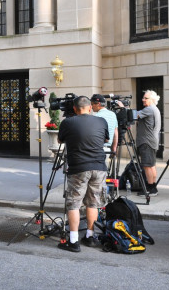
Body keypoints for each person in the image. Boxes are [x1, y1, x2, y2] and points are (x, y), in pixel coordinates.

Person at [57, 96, 109, 252]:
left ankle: (73, 241)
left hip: (78, 167)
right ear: (90, 108)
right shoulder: (101, 121)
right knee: (93, 202)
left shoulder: (68, 122)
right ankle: (90, 236)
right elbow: (106, 139)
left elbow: (60, 140)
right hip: (99, 167)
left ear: (74, 109)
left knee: (73, 203)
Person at [136, 90, 161, 197]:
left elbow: (134, 115)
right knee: (151, 165)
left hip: (147, 141)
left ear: (152, 99)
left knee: (147, 166)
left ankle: (150, 189)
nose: (143, 100)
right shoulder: (154, 109)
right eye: (143, 98)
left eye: (145, 98)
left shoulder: (149, 109)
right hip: (151, 141)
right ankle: (153, 186)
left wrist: (123, 108)